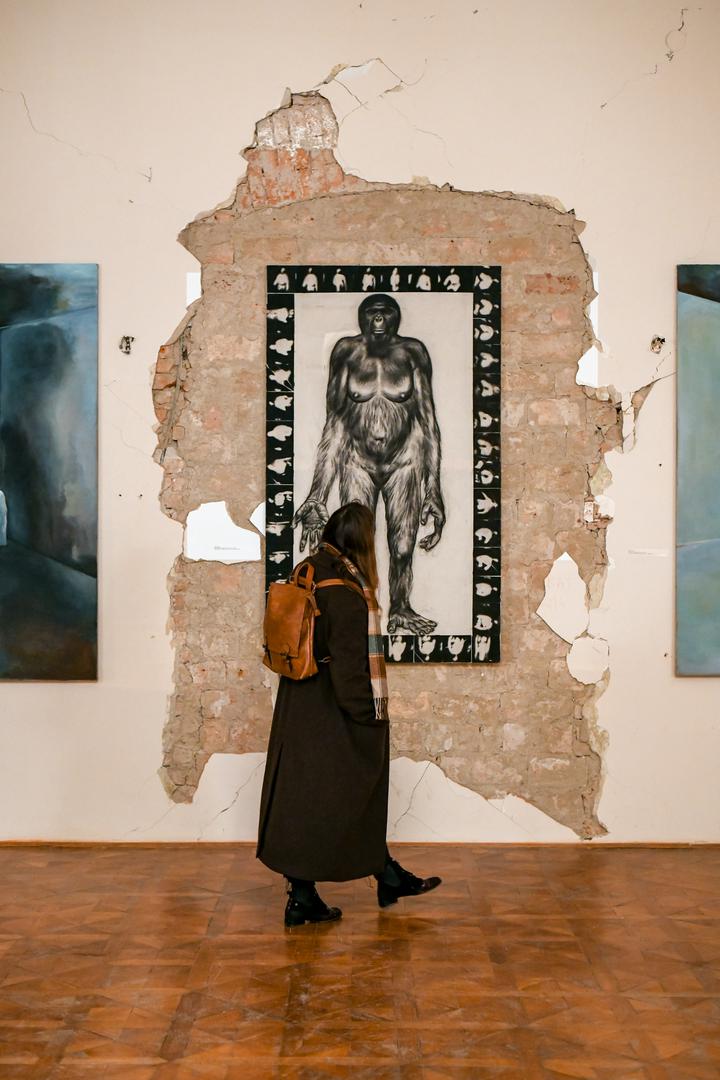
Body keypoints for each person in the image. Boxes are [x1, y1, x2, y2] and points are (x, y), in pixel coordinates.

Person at [257, 502, 441, 927]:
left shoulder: (308, 570)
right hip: (330, 711)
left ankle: (312, 895)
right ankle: (379, 876)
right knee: (350, 794)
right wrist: (368, 717)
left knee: (305, 798)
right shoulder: (345, 592)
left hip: (298, 704)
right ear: (361, 541)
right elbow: (349, 668)